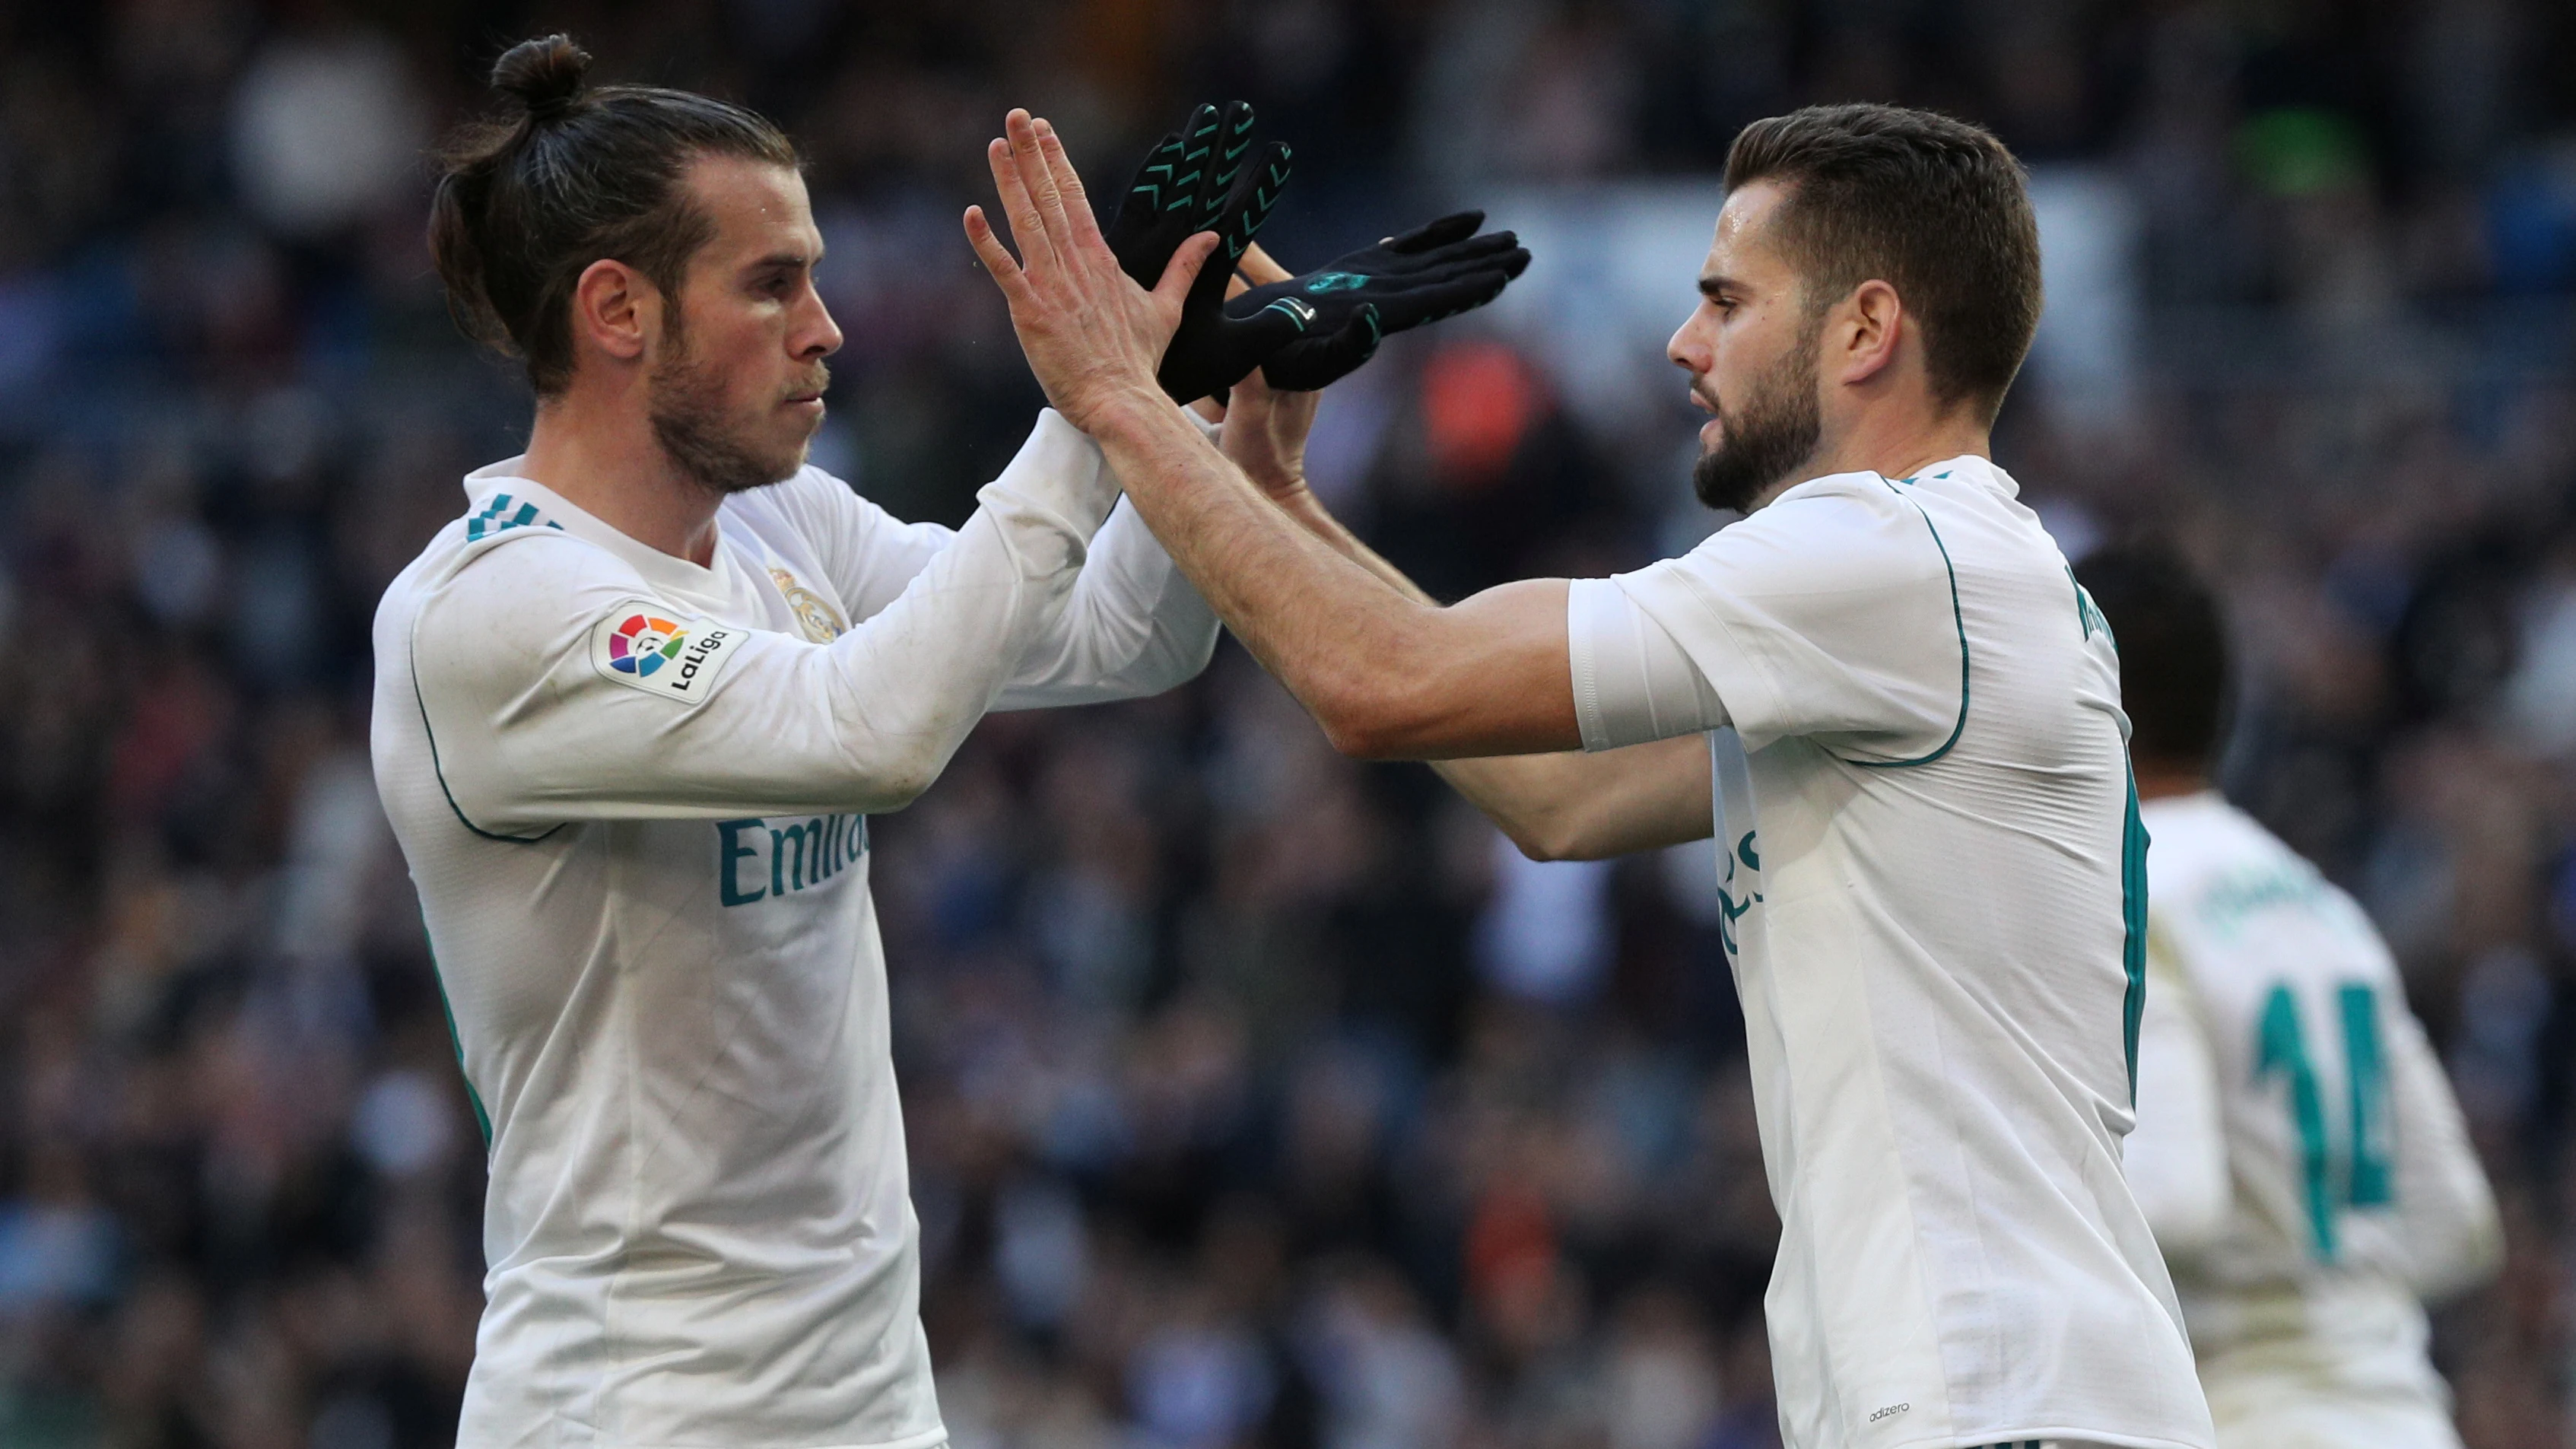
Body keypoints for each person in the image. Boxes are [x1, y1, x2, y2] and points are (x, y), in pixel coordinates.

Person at [964, 101, 2217, 1449]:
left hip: (1994, 1398)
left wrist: (1111, 392)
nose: (1683, 345)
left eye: (1726, 302)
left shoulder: (1892, 554)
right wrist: (1268, 493)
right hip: (2010, 1391)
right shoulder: (1943, 592)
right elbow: (1553, 799)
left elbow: (1384, 686)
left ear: (1865, 330)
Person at [370, 37, 1519, 1449]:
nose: (827, 326)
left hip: (867, 1405)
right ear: (618, 309)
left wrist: (1188, 412)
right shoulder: (493, 613)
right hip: (631, 1410)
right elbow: (876, 732)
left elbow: (1118, 643)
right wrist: (1095, 402)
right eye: (772, 282)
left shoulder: (778, 522)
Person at [2077, 546, 2501, 1449]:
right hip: (2405, 1418)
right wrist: (2332, 1292)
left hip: (2249, 1414)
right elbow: (2456, 1221)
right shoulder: (2322, 906)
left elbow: (2175, 1203)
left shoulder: (2123, 894)